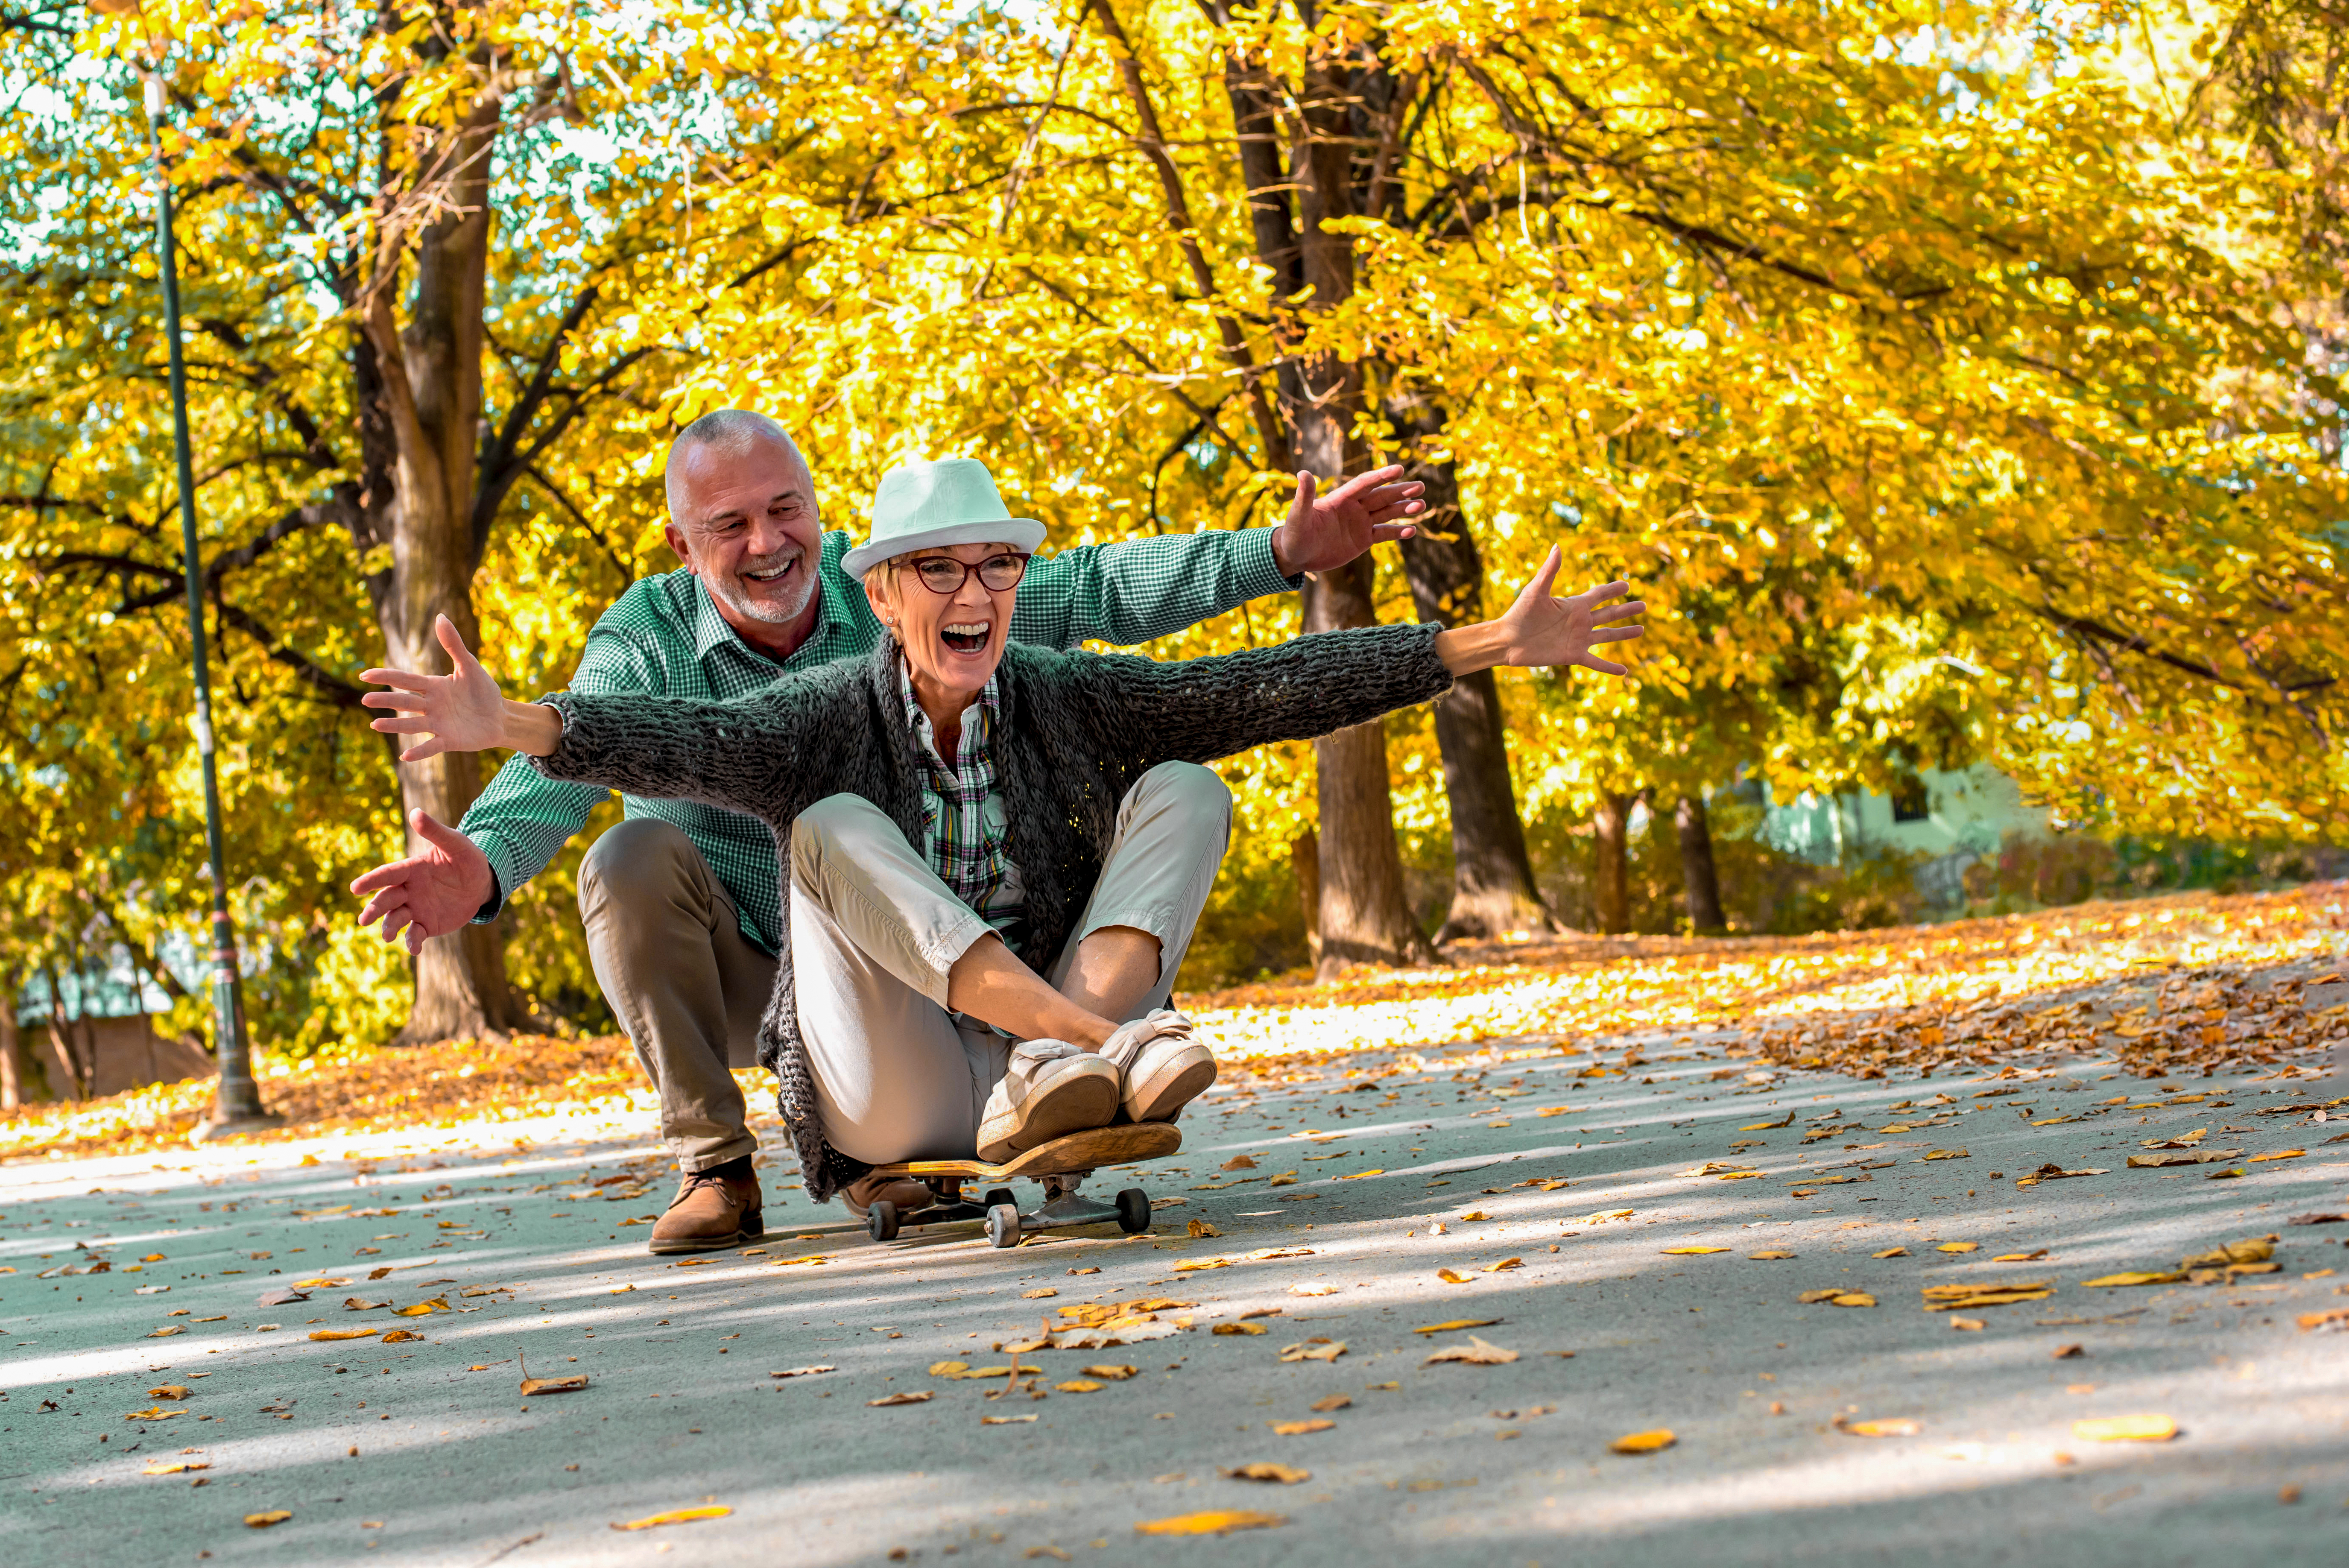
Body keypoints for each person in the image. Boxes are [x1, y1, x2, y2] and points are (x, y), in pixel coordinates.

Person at [359, 456, 1645, 1221]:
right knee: (785, 828)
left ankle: (1065, 1061)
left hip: (996, 1016)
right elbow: (655, 747)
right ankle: (737, 1155)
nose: (972, 596)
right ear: (885, 590)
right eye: (939, 574)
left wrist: (1467, 640)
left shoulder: (1048, 673)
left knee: (1189, 779)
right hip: (833, 1011)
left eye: (995, 572)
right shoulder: (769, 691)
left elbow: (1250, 679)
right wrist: (501, 765)